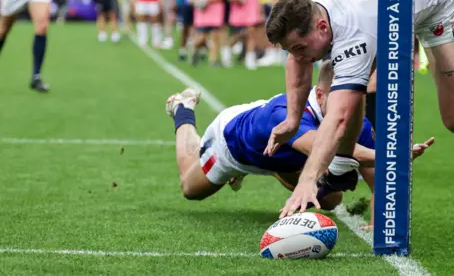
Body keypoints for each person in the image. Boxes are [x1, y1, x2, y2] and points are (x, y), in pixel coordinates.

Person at [265, 0, 454, 218]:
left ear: (322, 27)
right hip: (387, 5)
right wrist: (292, 121)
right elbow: (299, 62)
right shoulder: (302, 0)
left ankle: (451, 63)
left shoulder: (354, 31)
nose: (296, 55)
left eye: (299, 47)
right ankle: (343, 165)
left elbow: (340, 117)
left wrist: (308, 179)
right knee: (352, 83)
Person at [164, 60, 434, 225]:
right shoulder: (287, 113)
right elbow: (322, 147)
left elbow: (374, 175)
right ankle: (183, 108)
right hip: (233, 145)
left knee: (330, 201)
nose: (349, 105)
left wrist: (379, 223)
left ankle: (278, 164)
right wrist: (393, 155)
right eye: (342, 96)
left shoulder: (356, 116)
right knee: (190, 188)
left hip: (287, 152)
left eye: (356, 96)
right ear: (320, 94)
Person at [187, 0, 225, 67]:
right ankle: (194, 48)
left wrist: (210, 0)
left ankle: (212, 60)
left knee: (214, 36)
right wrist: (198, 2)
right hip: (202, 14)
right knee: (202, 37)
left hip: (216, 13)